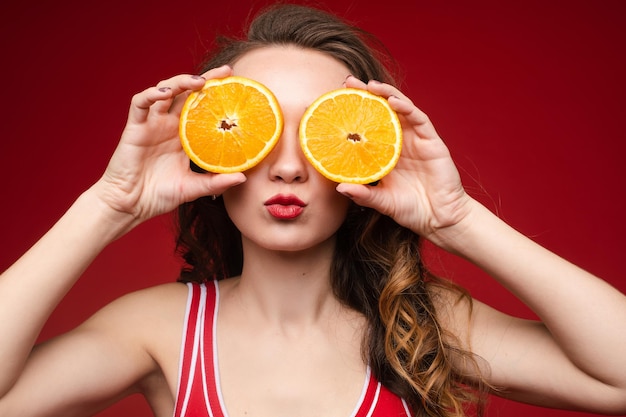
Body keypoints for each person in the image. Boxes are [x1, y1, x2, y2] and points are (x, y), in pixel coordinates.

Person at [1, 3, 625, 417]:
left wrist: (457, 217)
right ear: (213, 147)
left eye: (319, 133)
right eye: (261, 130)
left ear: (365, 153)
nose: (290, 166)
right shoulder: (160, 329)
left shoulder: (422, 326)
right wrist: (108, 205)